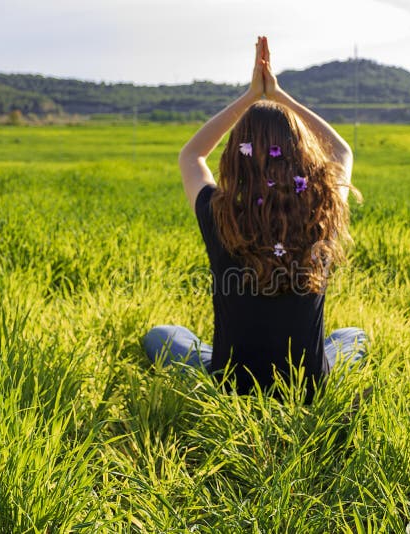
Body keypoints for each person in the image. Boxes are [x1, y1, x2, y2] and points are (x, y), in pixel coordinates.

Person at [142, 36, 367, 399]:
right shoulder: (322, 212)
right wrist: (279, 97)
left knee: (161, 335)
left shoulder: (221, 213)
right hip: (307, 388)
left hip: (232, 385)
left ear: (235, 155)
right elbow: (342, 150)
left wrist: (251, 97)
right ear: (301, 154)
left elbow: (192, 156)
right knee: (354, 337)